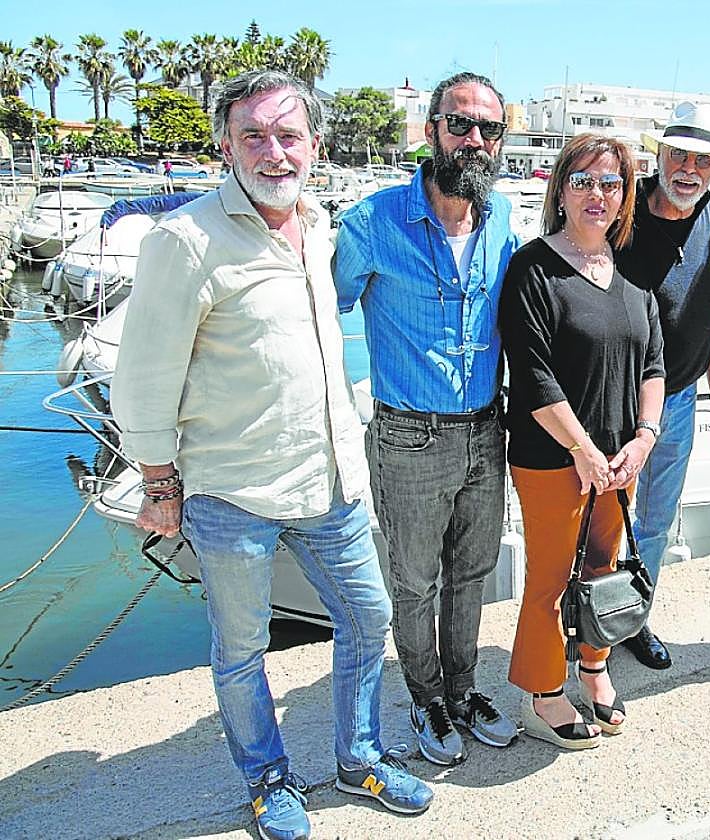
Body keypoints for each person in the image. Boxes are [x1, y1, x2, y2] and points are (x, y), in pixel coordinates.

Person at [110, 70, 433, 840]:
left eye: (289, 135)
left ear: (314, 145)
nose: (273, 151)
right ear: (225, 146)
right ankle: (267, 779)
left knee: (369, 617)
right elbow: (144, 377)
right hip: (232, 494)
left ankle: (358, 759)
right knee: (241, 650)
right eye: (253, 135)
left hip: (330, 482)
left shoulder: (319, 227)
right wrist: (158, 482)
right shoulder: (185, 240)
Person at [334, 71, 520, 768]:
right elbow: (319, 313)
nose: (474, 139)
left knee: (473, 572)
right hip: (409, 434)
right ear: (432, 129)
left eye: (488, 128)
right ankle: (426, 696)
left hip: (487, 428)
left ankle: (464, 689)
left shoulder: (502, 218)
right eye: (460, 123)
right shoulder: (372, 223)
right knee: (415, 581)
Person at [500, 133, 665, 750]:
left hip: (620, 460)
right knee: (549, 579)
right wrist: (583, 451)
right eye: (584, 181)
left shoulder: (633, 274)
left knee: (603, 568)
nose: (598, 194)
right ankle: (543, 694)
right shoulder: (533, 269)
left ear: (625, 196)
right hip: (553, 457)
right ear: (561, 190)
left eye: (611, 183)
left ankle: (594, 669)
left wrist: (643, 439)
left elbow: (654, 365)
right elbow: (532, 375)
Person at [613, 101, 710, 670]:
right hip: (611, 396)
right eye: (679, 155)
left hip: (679, 399)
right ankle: (582, 622)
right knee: (598, 518)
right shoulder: (620, 208)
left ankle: (632, 619)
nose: (689, 169)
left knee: (656, 522)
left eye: (703, 161)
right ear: (659, 156)